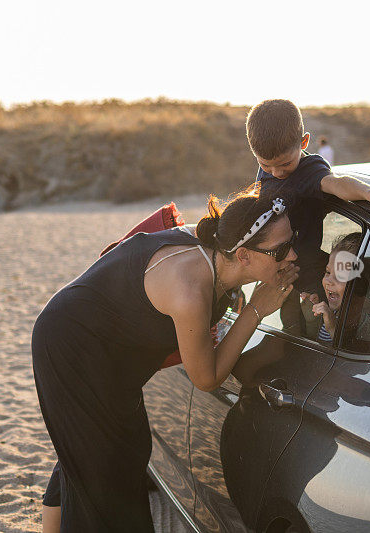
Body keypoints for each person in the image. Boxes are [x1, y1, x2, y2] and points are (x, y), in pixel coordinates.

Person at [32, 187, 300, 532]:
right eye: (281, 250)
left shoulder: (216, 248)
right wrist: (257, 308)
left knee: (103, 454)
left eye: (294, 240)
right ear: (244, 255)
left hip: (108, 356)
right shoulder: (190, 288)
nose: (292, 254)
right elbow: (206, 377)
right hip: (73, 348)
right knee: (109, 473)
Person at [246, 99, 370, 330]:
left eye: (285, 164)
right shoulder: (271, 160)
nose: (276, 173)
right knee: (289, 335)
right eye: (266, 166)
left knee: (318, 333)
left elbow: (335, 184)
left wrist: (369, 192)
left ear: (304, 142)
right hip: (279, 277)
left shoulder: (309, 169)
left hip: (308, 278)